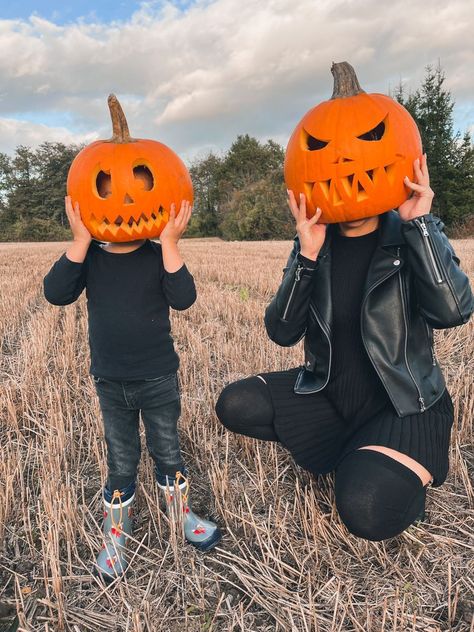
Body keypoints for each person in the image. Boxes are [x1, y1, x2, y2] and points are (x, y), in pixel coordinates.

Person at [216, 155, 473, 542]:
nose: (346, 181)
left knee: (366, 507)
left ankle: (387, 468)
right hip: (330, 392)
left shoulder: (412, 232)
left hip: (403, 403)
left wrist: (418, 224)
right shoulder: (317, 241)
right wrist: (307, 255)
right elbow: (282, 332)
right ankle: (358, 450)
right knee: (234, 404)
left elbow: (454, 311)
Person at [43, 168, 221, 582]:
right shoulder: (90, 261)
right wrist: (81, 240)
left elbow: (184, 298)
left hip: (158, 378)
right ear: (90, 205)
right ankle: (116, 532)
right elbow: (55, 293)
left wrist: (171, 244)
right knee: (121, 460)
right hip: (110, 381)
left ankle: (183, 517)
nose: (125, 207)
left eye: (135, 198)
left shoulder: (158, 256)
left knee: (168, 451)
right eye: (110, 197)